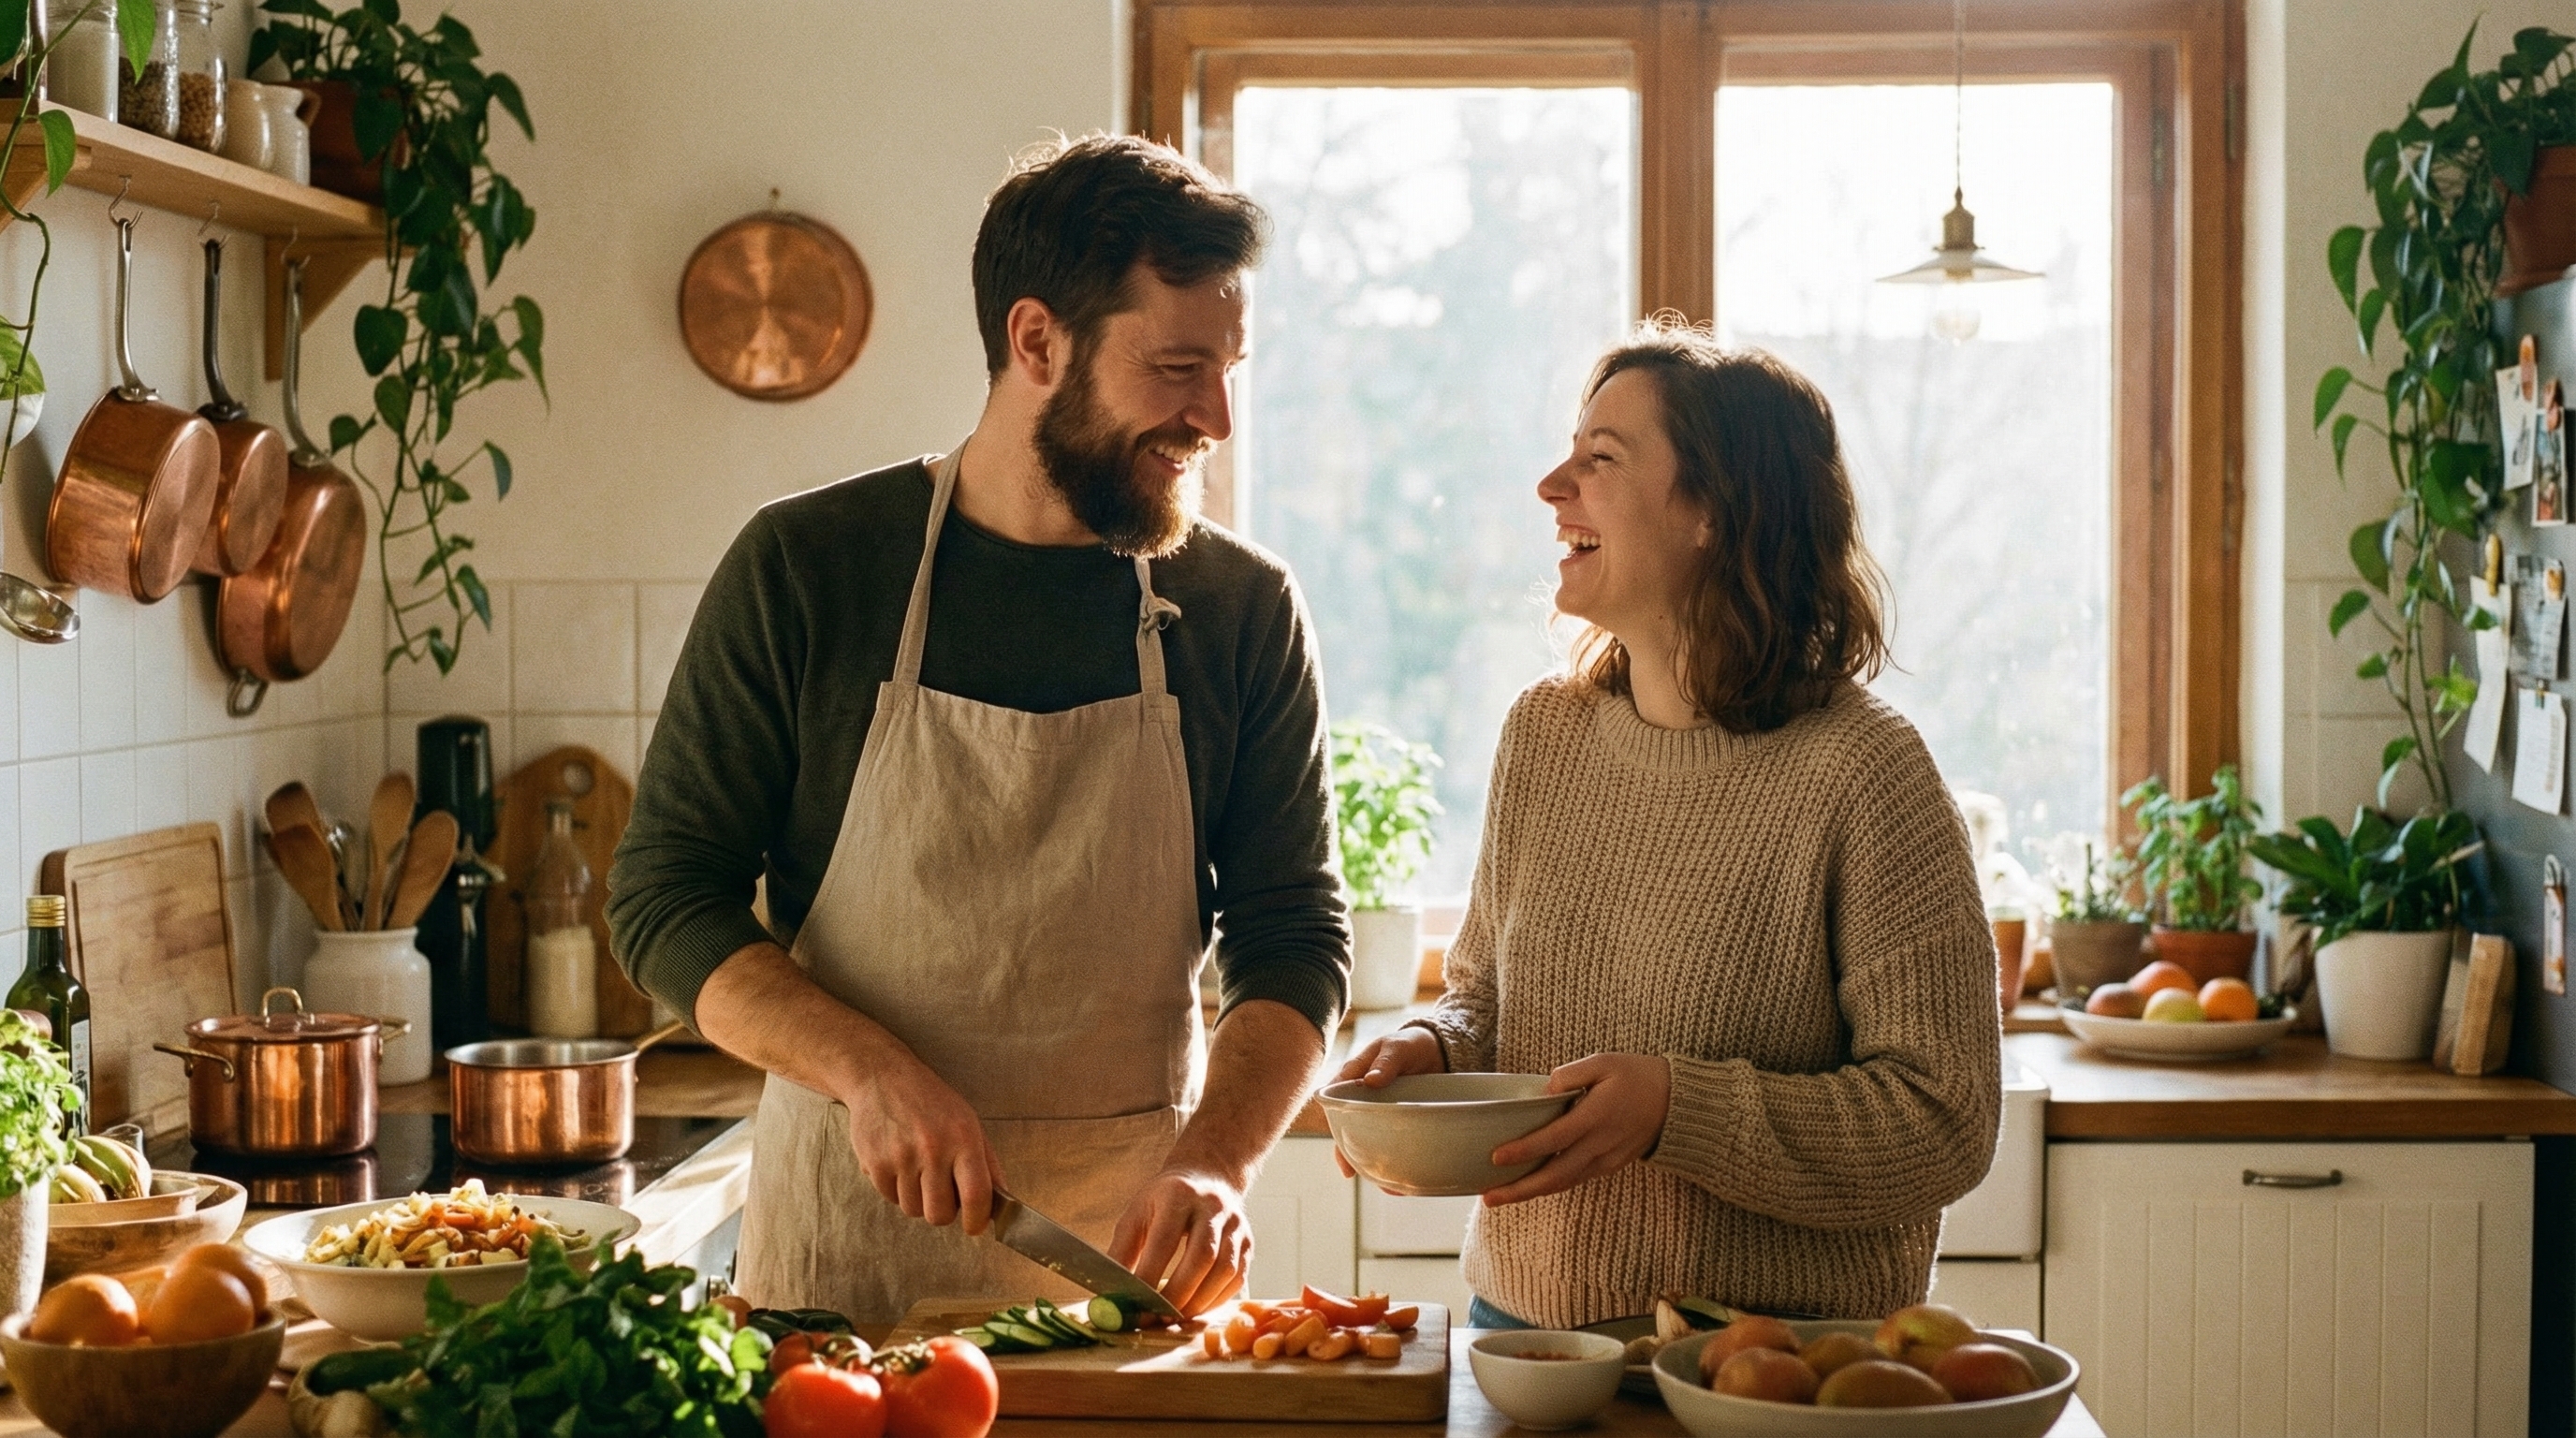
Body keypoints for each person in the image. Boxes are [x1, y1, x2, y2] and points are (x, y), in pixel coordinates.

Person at [608, 136, 1350, 1324]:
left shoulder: (1235, 608)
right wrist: (866, 1070)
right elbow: (662, 899)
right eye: (1175, 368)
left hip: (1128, 1266)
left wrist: (1217, 1160)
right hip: (847, 1271)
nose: (1212, 415)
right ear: (1038, 341)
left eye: (1228, 370)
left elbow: (1294, 932)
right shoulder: (810, 567)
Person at [1336, 323, 2002, 1328]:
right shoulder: (1543, 737)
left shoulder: (1864, 771)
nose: (1552, 485)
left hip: (1774, 1366)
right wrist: (1435, 1046)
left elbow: (1941, 1122)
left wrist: (1676, 1111)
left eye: (1600, 458)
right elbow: (1489, 996)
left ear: (1714, 513)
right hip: (1526, 1336)